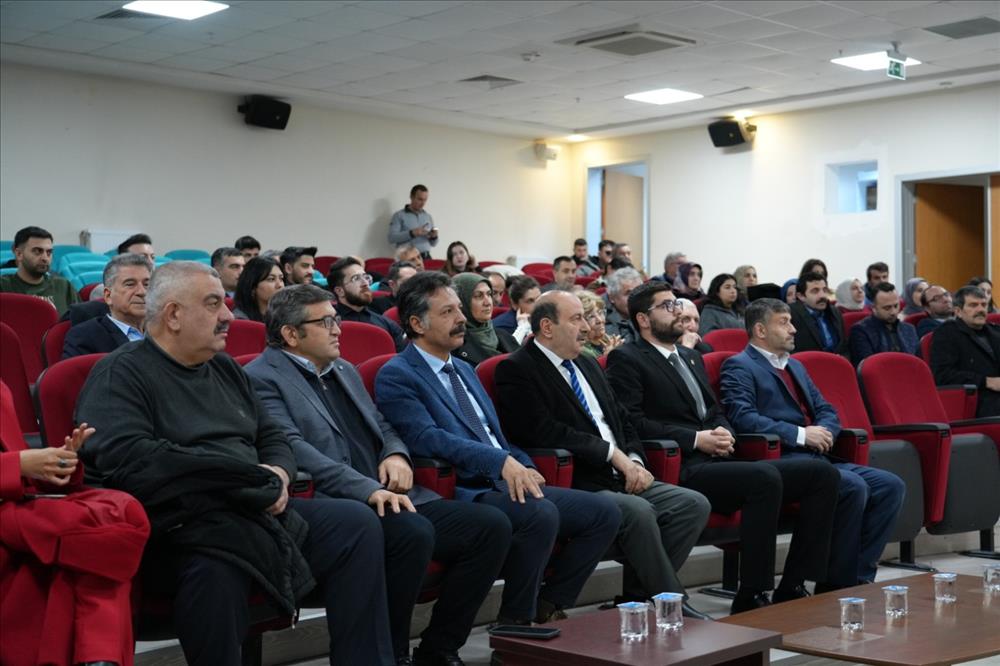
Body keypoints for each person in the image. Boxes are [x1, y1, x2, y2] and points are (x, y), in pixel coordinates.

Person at [75, 261, 396, 666]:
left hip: (254, 506)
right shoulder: (120, 373)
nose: (228, 316)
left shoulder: (224, 367)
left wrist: (278, 473)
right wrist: (248, 481)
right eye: (213, 304)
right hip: (182, 524)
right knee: (220, 563)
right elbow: (136, 460)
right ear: (173, 315)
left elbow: (272, 436)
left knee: (355, 524)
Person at [245, 285, 510, 666]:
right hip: (339, 502)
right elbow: (294, 449)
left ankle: (439, 648)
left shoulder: (343, 368)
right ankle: (394, 651)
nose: (338, 329)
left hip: (391, 492)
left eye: (336, 319)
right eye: (326, 322)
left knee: (490, 527)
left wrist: (396, 454)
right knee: (412, 532)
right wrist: (368, 489)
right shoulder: (260, 377)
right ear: (290, 334)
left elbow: (382, 425)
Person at [375, 272, 621, 626]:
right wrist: (500, 461)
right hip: (464, 487)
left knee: (604, 512)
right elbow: (426, 437)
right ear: (416, 323)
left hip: (504, 478)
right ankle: (514, 624)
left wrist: (523, 463)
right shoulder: (397, 373)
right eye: (447, 312)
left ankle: (548, 604)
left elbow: (496, 436)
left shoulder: (464, 369)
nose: (461, 318)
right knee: (540, 514)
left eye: (459, 309)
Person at [606, 283, 840, 613]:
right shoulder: (627, 358)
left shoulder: (691, 356)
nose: (678, 312)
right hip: (677, 464)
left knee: (821, 474)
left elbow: (714, 411)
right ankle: (752, 592)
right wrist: (696, 438)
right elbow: (632, 422)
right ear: (643, 319)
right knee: (764, 479)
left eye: (677, 305)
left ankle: (793, 584)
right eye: (668, 307)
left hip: (716, 458)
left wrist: (724, 432)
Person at [496, 291, 712, 616]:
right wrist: (612, 454)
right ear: (547, 327)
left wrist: (635, 459)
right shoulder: (517, 368)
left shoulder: (586, 363)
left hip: (621, 472)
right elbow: (541, 430)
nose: (587, 327)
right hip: (577, 478)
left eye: (585, 317)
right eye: (576, 319)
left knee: (692, 504)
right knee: (638, 511)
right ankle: (670, 602)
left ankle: (638, 597)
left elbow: (622, 419)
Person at [720, 298, 905, 590]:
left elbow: (826, 410)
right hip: (778, 460)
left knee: (890, 485)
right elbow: (744, 419)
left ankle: (858, 578)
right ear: (760, 330)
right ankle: (837, 586)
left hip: (818, 457)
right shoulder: (739, 365)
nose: (793, 329)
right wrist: (802, 435)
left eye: (792, 322)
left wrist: (824, 431)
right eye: (784, 322)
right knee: (853, 486)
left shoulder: (795, 366)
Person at [1, 381, 150, 666]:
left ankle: (99, 659)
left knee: (107, 529)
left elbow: (23, 474)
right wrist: (17, 465)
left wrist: (55, 464)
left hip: (18, 509)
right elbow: (15, 464)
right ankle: (100, 657)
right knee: (99, 545)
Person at [62, 253, 151, 359]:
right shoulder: (84, 337)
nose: (142, 292)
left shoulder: (163, 330)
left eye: (147, 284)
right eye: (130, 284)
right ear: (108, 296)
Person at [930, 285, 1000, 417]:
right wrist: (986, 381)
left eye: (983, 305)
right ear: (958, 311)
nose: (980, 309)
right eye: (973, 305)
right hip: (976, 400)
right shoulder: (946, 334)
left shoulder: (996, 331)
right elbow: (942, 375)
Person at [328, 257, 407, 352]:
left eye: (366, 277)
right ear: (339, 291)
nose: (365, 283)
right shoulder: (328, 324)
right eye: (356, 278)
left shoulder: (388, 325)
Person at [0, 225, 79, 315]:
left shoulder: (64, 286)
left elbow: (80, 320)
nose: (45, 258)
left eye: (49, 252)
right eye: (37, 251)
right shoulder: (3, 286)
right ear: (19, 254)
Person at [452, 273, 519, 366]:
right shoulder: (453, 346)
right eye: (478, 296)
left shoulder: (504, 335)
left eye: (489, 294)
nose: (488, 302)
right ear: (461, 301)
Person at [849, 282, 919, 365]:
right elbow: (867, 367)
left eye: (896, 306)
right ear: (874, 308)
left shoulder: (909, 329)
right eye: (887, 308)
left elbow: (918, 363)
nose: (893, 312)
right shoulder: (861, 331)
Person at [790, 271, 847, 355]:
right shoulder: (791, 315)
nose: (822, 295)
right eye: (815, 291)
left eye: (824, 290)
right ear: (801, 296)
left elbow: (844, 346)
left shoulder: (835, 312)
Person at [389, 185, 438, 259]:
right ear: (411, 197)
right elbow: (391, 238)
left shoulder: (428, 217)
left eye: (425, 200)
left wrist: (434, 237)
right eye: (420, 199)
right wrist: (412, 233)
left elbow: (433, 244)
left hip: (426, 257)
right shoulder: (399, 215)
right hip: (408, 259)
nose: (423, 203)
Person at [233, 256, 284, 322]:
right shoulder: (241, 319)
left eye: (281, 278)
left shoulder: (286, 313)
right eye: (271, 279)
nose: (280, 285)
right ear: (252, 287)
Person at [492, 275, 539, 342]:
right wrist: (523, 328)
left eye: (539, 298)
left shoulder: (545, 318)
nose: (538, 304)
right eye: (530, 301)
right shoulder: (503, 328)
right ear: (514, 304)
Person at [576, 290, 622, 359]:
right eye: (591, 317)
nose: (600, 320)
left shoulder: (611, 341)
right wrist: (607, 357)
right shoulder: (580, 351)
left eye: (600, 313)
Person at [605, 267, 643, 342]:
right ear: (612, 297)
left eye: (638, 292)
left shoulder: (649, 311)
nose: (635, 298)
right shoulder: (602, 319)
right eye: (629, 293)